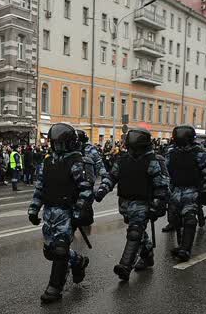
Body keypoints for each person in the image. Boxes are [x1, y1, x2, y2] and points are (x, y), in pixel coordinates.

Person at [28, 123, 93, 303]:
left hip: (66, 212)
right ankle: (78, 261)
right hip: (50, 212)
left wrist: (78, 212)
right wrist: (34, 209)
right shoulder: (48, 162)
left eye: (61, 143)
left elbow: (86, 190)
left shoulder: (77, 162)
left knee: (60, 249)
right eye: (55, 143)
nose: (57, 147)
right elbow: (40, 188)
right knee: (50, 251)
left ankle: (55, 288)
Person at [95, 128, 169, 281]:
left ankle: (125, 266)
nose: (132, 149)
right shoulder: (123, 160)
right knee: (138, 233)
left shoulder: (153, 161)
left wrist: (158, 203)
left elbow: (161, 185)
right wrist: (102, 190)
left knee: (135, 232)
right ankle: (147, 256)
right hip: (125, 203)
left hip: (143, 202)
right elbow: (112, 177)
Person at [164, 125, 206, 262]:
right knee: (175, 219)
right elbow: (165, 173)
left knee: (189, 218)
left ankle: (185, 249)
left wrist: (205, 190)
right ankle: (181, 245)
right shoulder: (170, 152)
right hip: (175, 190)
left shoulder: (200, 152)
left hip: (192, 189)